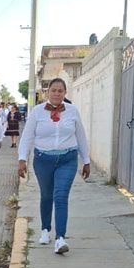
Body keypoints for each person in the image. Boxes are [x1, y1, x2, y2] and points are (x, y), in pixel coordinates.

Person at [17, 78, 91, 255]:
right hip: (43, 160)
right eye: (54, 90)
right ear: (47, 92)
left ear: (65, 93)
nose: (57, 93)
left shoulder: (72, 111)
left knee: (61, 196)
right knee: (47, 195)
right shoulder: (37, 112)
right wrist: (22, 159)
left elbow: (81, 136)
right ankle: (44, 230)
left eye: (60, 91)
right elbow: (27, 136)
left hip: (68, 159)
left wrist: (86, 160)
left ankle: (60, 238)